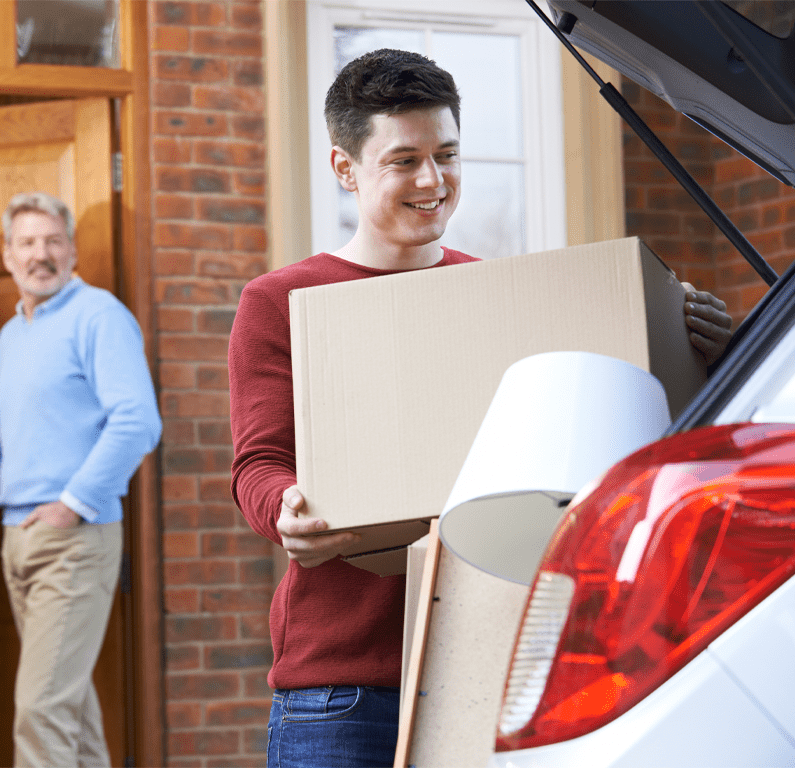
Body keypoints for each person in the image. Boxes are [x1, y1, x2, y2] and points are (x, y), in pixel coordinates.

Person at [228, 48, 734, 768]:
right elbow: (260, 463)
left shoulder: (500, 297)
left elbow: (593, 440)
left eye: (448, 154)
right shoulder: (279, 302)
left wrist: (704, 356)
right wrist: (285, 509)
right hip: (344, 689)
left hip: (482, 668)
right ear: (345, 168)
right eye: (404, 160)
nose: (433, 180)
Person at [0, 191, 162, 767]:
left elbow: (137, 421)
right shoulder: (11, 337)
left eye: (53, 241)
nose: (41, 254)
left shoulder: (98, 315)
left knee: (41, 711)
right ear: (8, 256)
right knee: (68, 712)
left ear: (73, 250)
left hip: (74, 539)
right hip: (16, 537)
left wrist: (72, 505)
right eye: (27, 243)